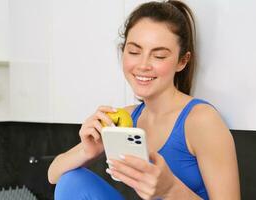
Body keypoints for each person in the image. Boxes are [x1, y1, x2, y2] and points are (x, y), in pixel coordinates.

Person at [48, 1, 240, 199]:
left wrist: (170, 189)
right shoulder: (128, 118)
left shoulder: (201, 121)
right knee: (73, 182)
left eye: (158, 56)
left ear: (182, 61)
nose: (143, 65)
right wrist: (88, 151)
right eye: (134, 52)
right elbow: (53, 175)